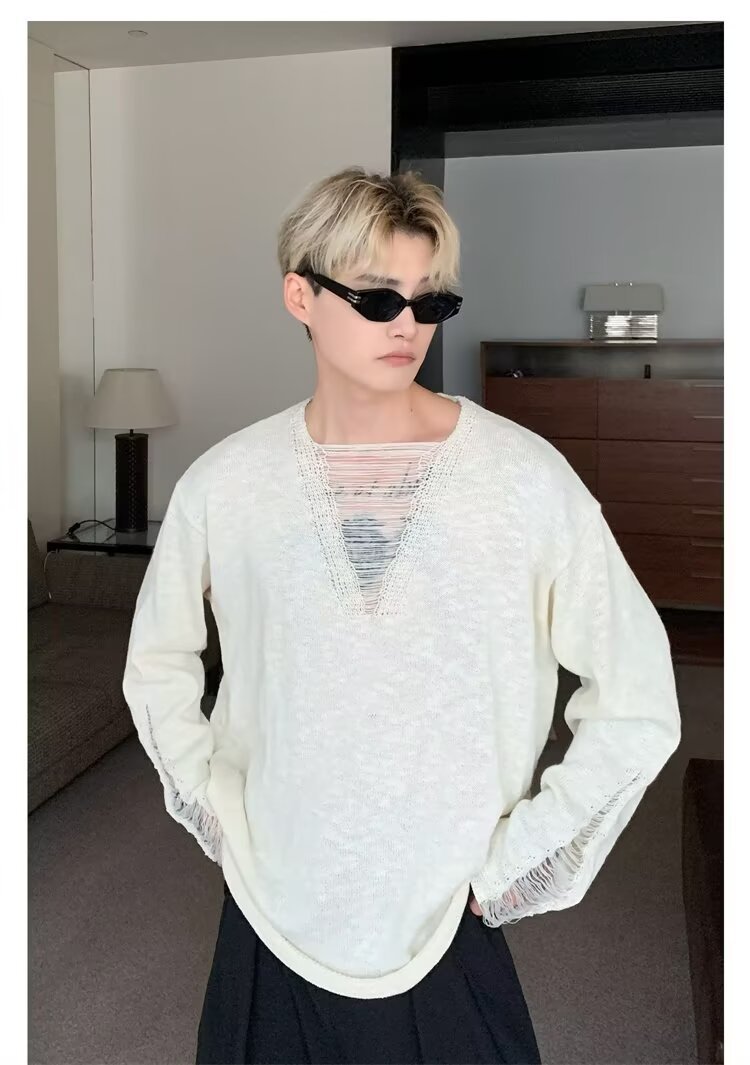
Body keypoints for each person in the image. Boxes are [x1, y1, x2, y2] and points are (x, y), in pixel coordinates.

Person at [122, 166, 682, 1065]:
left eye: (430, 301)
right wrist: (216, 806)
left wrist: (520, 860)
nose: (408, 325)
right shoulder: (227, 485)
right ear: (300, 296)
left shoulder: (525, 481)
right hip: (272, 895)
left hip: (447, 908)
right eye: (379, 298)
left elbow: (638, 699)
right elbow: (157, 662)